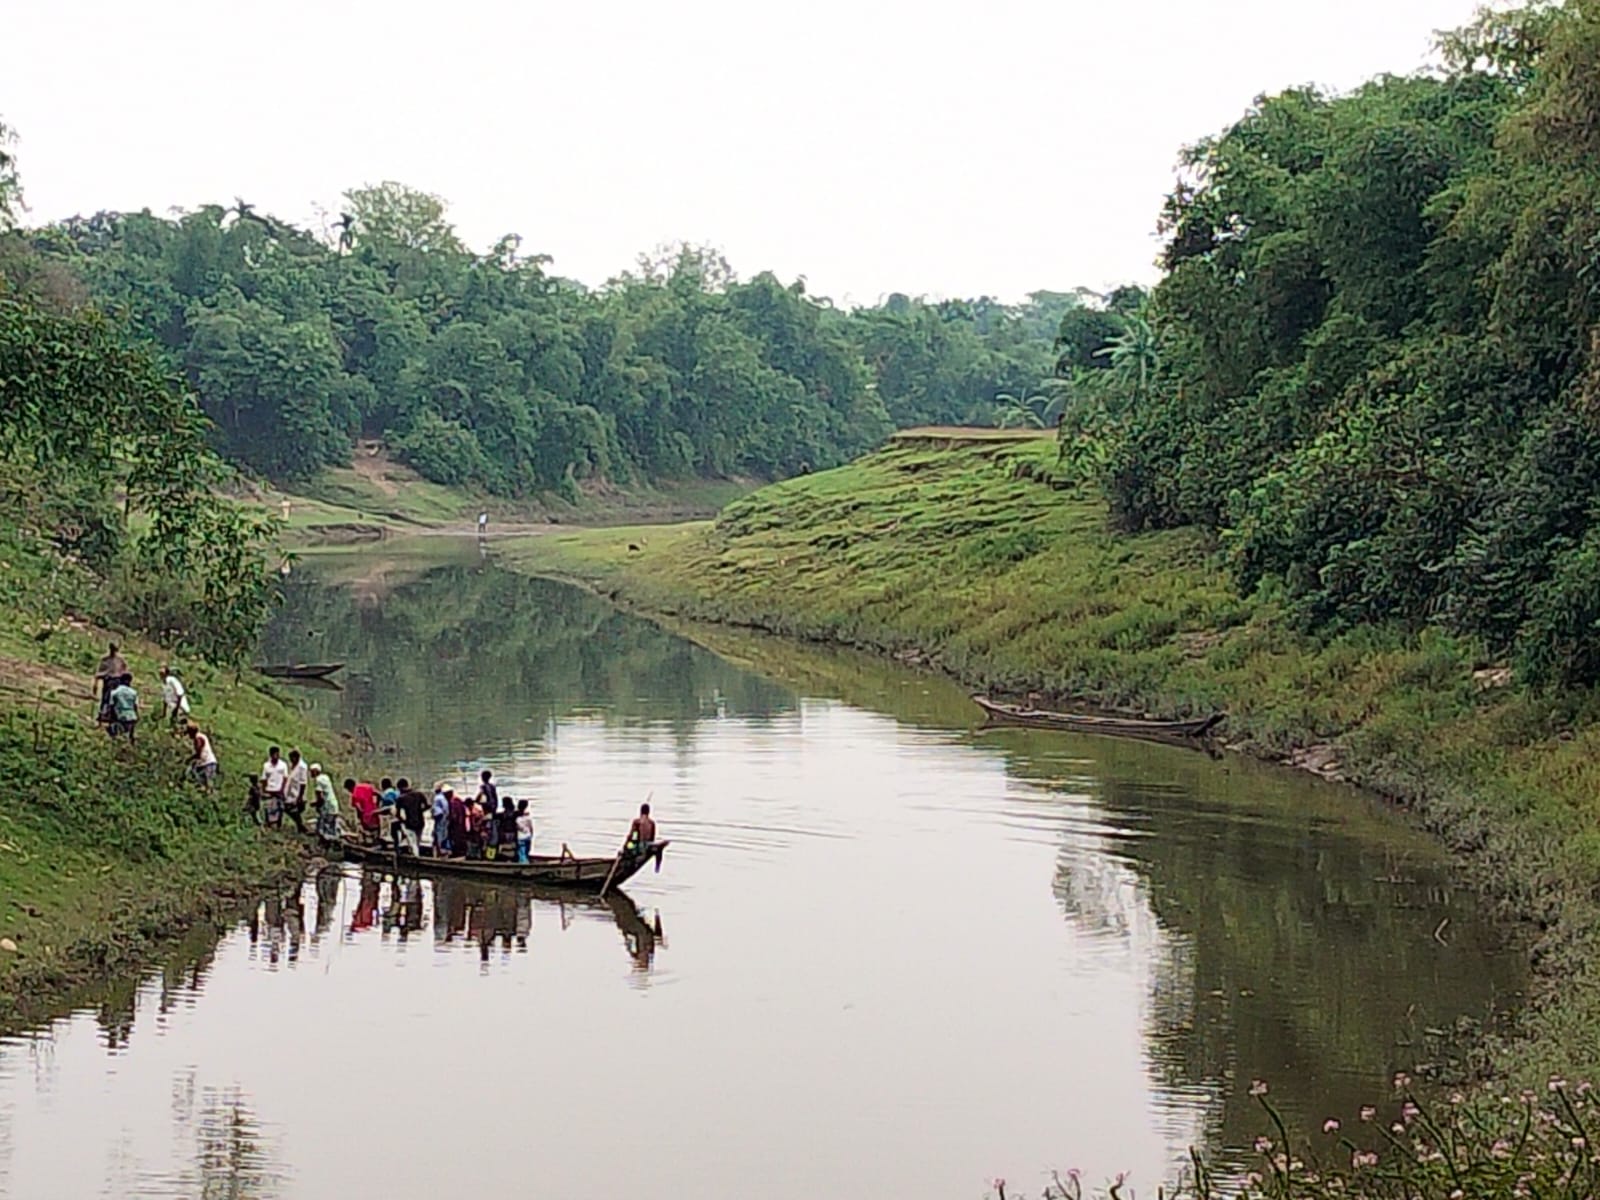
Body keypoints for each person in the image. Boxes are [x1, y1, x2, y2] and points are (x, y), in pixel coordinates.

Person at [93, 642, 127, 722]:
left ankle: (113, 715)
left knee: (116, 698)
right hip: (108, 680)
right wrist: (96, 682)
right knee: (106, 697)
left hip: (117, 680)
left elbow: (124, 669)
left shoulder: (120, 659)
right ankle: (103, 713)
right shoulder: (105, 659)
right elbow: (100, 671)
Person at [397, 778, 428, 856]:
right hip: (420, 822)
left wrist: (402, 820)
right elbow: (427, 805)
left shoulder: (401, 798)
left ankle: (416, 858)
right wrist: (420, 811)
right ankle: (418, 855)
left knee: (412, 842)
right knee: (418, 841)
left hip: (409, 823)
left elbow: (397, 813)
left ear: (400, 788)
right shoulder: (419, 794)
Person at [260, 746, 289, 829]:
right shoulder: (266, 766)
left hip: (279, 790)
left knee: (280, 808)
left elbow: (285, 778)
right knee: (269, 807)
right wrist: (264, 790)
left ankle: (278, 825)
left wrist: (282, 789)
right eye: (274, 754)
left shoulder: (283, 765)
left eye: (277, 754)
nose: (276, 756)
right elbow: (264, 779)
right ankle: (269, 824)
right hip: (270, 789)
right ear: (271, 755)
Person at [107, 673, 139, 742]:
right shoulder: (134, 692)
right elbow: (135, 706)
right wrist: (137, 716)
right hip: (132, 716)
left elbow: (111, 706)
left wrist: (111, 718)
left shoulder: (114, 692)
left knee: (119, 736)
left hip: (120, 716)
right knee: (130, 736)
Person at [311, 764, 340, 842]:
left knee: (325, 828)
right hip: (334, 804)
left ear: (316, 771)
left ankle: (327, 844)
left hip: (327, 807)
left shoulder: (318, 780)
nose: (311, 773)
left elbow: (320, 797)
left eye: (312, 771)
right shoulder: (326, 777)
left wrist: (316, 804)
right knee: (332, 827)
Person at [284, 749, 309, 834]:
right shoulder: (294, 766)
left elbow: (303, 782)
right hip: (291, 792)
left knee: (291, 810)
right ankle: (300, 827)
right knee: (289, 809)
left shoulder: (302, 767)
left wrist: (300, 797)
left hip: (296, 793)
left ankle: (301, 826)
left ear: (295, 758)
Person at [188, 721, 218, 788]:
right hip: (206, 763)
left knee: (205, 782)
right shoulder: (201, 736)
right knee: (201, 781)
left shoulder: (198, 738)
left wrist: (192, 759)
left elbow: (199, 751)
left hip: (208, 763)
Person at [445, 786, 469, 860]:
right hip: (461, 824)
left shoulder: (453, 802)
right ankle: (461, 853)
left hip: (456, 826)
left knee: (456, 840)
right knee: (460, 839)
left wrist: (448, 823)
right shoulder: (459, 801)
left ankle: (458, 854)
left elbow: (454, 816)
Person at [431, 782, 450, 857]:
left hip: (440, 819)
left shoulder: (438, 798)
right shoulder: (442, 797)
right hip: (442, 818)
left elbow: (439, 810)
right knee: (442, 833)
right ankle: (442, 850)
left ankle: (441, 852)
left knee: (440, 834)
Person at [514, 799, 534, 865]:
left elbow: (517, 827)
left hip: (521, 837)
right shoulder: (528, 817)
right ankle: (526, 862)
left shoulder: (517, 818)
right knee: (526, 852)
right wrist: (531, 834)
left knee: (522, 853)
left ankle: (524, 864)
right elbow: (531, 827)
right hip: (528, 836)